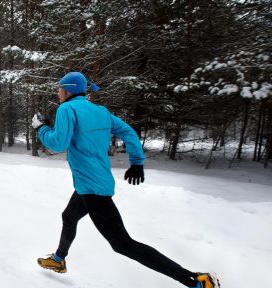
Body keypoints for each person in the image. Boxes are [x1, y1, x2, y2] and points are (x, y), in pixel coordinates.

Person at [31, 72, 220, 288]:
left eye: (59, 88)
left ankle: (195, 280)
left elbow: (57, 144)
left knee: (123, 244)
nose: (57, 91)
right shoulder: (100, 112)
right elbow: (128, 132)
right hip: (92, 184)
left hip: (92, 190)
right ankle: (58, 260)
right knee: (69, 216)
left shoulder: (67, 108)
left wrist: (41, 128)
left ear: (68, 89)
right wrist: (137, 162)